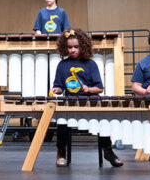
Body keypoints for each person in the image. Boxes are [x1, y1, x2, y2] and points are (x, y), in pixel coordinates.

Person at [51, 28, 122, 167]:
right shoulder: (62, 65)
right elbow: (59, 87)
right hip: (70, 104)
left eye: (76, 47)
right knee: (61, 122)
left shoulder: (90, 64)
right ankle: (61, 152)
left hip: (90, 103)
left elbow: (100, 88)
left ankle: (108, 151)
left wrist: (89, 89)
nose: (73, 50)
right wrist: (56, 90)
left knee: (103, 122)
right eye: (70, 47)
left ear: (82, 46)